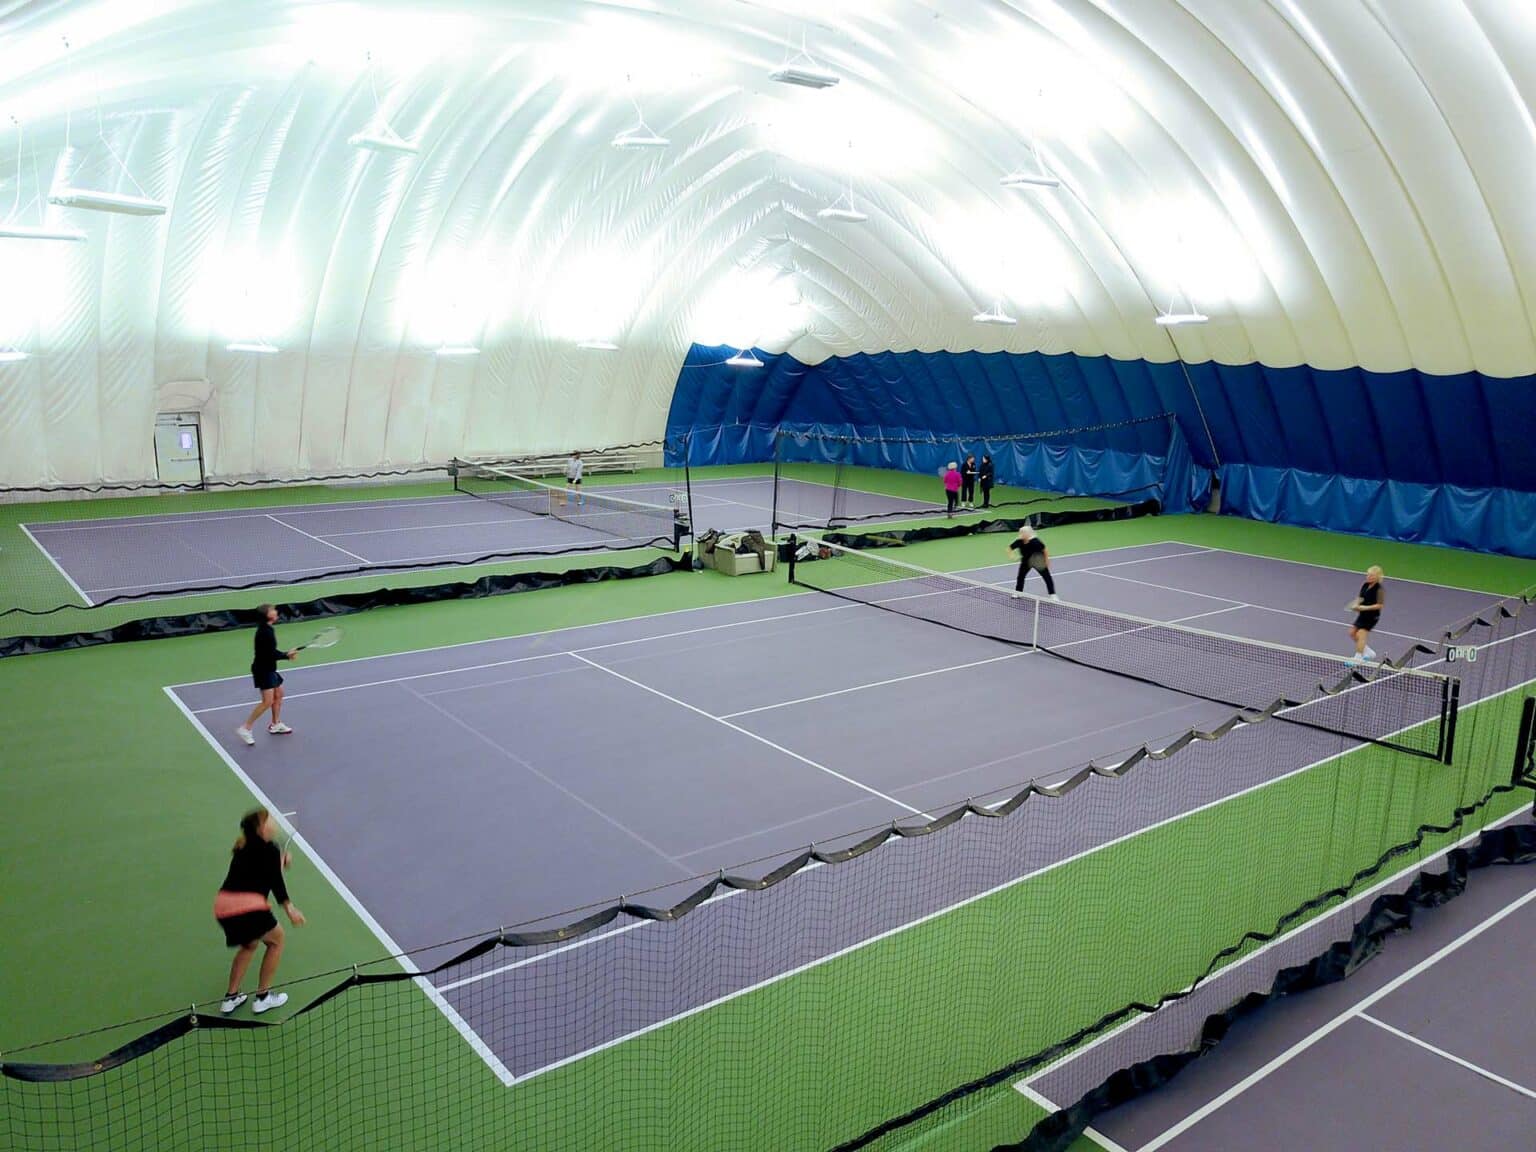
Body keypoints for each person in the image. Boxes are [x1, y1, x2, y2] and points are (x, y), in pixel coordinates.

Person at [216, 808, 305, 1015]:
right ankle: (263, 997)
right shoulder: (271, 850)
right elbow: (275, 882)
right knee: (276, 941)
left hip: (224, 907)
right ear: (260, 829)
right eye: (269, 820)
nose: (274, 821)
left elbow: (261, 872)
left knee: (250, 945)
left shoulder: (243, 846)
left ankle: (231, 997)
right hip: (246, 909)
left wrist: (278, 863)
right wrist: (290, 909)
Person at [237, 604, 297, 746]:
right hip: (263, 670)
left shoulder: (267, 629)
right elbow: (269, 654)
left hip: (269, 668)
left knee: (279, 694)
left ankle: (275, 724)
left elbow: (270, 652)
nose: (276, 612)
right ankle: (246, 728)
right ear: (268, 616)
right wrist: (286, 655)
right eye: (273, 610)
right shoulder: (265, 632)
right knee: (267, 701)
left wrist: (286, 654)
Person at [1008, 525, 1058, 600]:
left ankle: (1053, 594)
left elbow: (1045, 551)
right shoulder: (1019, 541)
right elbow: (1009, 548)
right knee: (1020, 577)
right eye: (1020, 533)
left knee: (1046, 577)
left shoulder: (1036, 542)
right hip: (1025, 561)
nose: (1020, 534)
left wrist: (1047, 561)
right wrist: (1012, 557)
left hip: (1038, 561)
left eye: (1022, 533)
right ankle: (1018, 592)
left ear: (1027, 534)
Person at [1348, 565, 1385, 663]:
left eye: (1371, 575)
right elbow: (1360, 598)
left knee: (1361, 634)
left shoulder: (1379, 589)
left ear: (1377, 577)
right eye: (1368, 575)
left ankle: (1358, 657)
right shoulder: (1365, 585)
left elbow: (1380, 605)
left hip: (1372, 616)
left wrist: (1365, 608)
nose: (1368, 577)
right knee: (1352, 633)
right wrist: (1356, 604)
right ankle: (1368, 652)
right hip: (1363, 615)